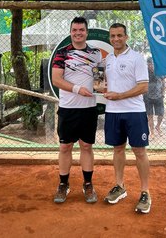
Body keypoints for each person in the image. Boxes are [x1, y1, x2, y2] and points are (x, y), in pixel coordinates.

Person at [52, 16, 102, 204]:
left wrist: (103, 88)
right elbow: (56, 79)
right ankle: (63, 184)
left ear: (86, 32)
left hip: (88, 109)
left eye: (81, 30)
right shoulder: (62, 53)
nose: (78, 33)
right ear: (71, 32)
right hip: (68, 108)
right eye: (75, 30)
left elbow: (100, 80)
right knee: (65, 146)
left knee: (86, 146)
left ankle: (88, 184)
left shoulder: (96, 54)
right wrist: (77, 89)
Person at [103, 23, 151, 214]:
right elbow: (107, 84)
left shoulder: (136, 58)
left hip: (134, 111)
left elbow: (143, 87)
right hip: (113, 112)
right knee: (118, 149)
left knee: (139, 151)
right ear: (110, 38)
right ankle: (119, 186)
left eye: (120, 35)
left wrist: (119, 96)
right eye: (113, 36)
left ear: (126, 37)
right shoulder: (107, 60)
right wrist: (102, 88)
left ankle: (145, 191)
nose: (116, 39)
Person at [144, 57, 166, 139]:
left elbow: (163, 83)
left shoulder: (159, 71)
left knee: (161, 114)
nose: (151, 66)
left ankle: (158, 126)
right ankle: (152, 132)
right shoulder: (145, 72)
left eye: (152, 64)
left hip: (159, 96)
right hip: (148, 96)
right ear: (147, 64)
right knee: (150, 115)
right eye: (149, 64)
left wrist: (163, 93)